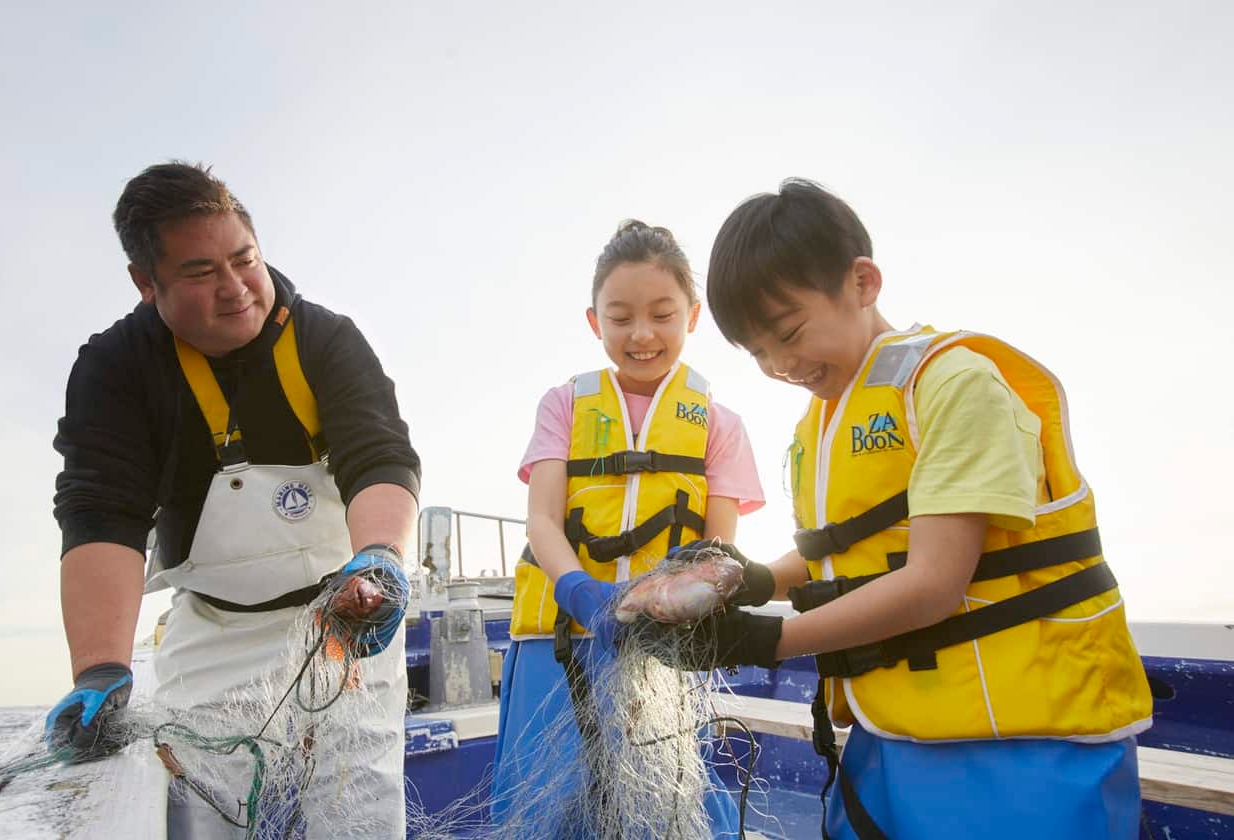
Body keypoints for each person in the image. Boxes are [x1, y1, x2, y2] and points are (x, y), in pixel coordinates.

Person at [663, 179, 1154, 839]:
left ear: (863, 282)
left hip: (1026, 746)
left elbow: (932, 583)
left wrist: (767, 641)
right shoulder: (820, 424)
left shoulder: (953, 384)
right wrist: (754, 579)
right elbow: (842, 553)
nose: (781, 364)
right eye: (757, 352)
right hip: (890, 737)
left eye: (789, 332)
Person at [45, 162, 421, 838]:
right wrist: (99, 667)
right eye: (200, 273)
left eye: (244, 259)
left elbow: (380, 457)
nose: (236, 288)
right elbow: (101, 512)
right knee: (199, 815)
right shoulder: (116, 367)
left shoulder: (325, 338)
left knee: (358, 814)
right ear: (145, 282)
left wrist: (381, 557)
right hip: (212, 639)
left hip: (343, 624)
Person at [490, 221, 767, 838]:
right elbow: (542, 519)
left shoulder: (720, 425)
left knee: (666, 814)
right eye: (620, 317)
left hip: (661, 658)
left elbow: (718, 551)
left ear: (692, 316)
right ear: (595, 322)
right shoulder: (563, 404)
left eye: (662, 315)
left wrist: (669, 610)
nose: (641, 334)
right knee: (544, 816)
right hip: (555, 645)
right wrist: (580, 592)